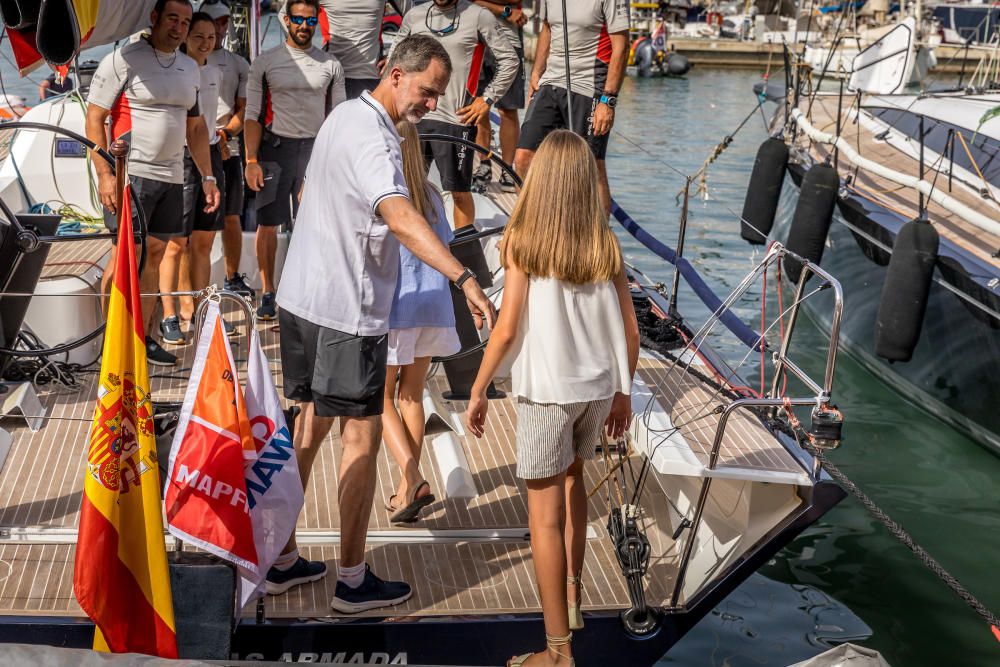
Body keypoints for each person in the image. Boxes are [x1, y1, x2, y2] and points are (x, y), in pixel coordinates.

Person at [270, 34, 495, 612]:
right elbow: (397, 214)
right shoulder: (376, 138)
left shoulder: (342, 114)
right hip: (348, 312)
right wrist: (463, 278)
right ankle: (351, 581)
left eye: (439, 95)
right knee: (361, 439)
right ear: (395, 74)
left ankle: (282, 558)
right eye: (427, 91)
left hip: (302, 300)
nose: (431, 104)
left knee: (309, 428)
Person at [466, 130, 639, 666]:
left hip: (547, 394)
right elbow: (630, 332)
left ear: (538, 181)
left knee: (543, 520)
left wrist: (477, 388)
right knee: (574, 481)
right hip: (596, 392)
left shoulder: (523, 243)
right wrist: (622, 395)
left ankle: (557, 652)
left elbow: (509, 328)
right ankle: (573, 594)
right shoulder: (604, 246)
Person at [86, 0, 220, 367]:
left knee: (155, 257)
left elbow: (195, 127)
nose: (179, 27)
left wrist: (207, 175)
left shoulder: (189, 68)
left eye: (185, 21)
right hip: (132, 175)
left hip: (172, 175)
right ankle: (111, 348)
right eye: (173, 19)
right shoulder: (124, 59)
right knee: (124, 258)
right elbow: (95, 118)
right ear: (155, 17)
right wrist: (105, 175)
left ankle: (139, 339)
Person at [244, 0, 345, 321]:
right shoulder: (265, 62)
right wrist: (250, 159)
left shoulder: (331, 65)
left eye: (311, 20)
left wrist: (329, 164)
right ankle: (269, 292)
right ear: (286, 20)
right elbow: (252, 116)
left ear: (317, 22)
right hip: (275, 152)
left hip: (315, 153)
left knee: (314, 226)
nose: (304, 26)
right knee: (268, 225)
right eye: (299, 19)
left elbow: (338, 118)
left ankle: (307, 292)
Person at [382, 119, 460, 524]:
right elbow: (443, 245)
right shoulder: (431, 195)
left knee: (381, 399)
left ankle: (411, 477)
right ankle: (403, 490)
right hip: (435, 307)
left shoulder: (385, 196)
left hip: (398, 306)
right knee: (411, 397)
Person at [392, 0, 518, 229]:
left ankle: (461, 253)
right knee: (406, 189)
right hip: (414, 119)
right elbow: (394, 60)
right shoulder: (415, 15)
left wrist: (486, 99)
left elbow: (510, 60)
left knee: (459, 193)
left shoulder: (479, 16)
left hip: (455, 121)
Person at [514, 0, 629, 215]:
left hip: (590, 84)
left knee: (591, 165)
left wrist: (608, 101)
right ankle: (531, 226)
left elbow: (621, 47)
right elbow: (547, 28)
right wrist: (537, 72)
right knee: (523, 158)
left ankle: (599, 239)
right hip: (551, 81)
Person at [158, 12, 228, 343]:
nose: (205, 42)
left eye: (211, 37)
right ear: (186, 38)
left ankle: (202, 311)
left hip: (211, 154)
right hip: (181, 157)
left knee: (203, 240)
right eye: (198, 36)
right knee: (176, 242)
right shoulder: (175, 69)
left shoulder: (214, 71)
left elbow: (209, 121)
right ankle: (171, 313)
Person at [197, 0, 256, 301]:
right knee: (198, 229)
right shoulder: (188, 61)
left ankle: (232, 278)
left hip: (226, 143)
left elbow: (243, 110)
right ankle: (195, 293)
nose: (219, 28)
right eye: (212, 22)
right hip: (196, 145)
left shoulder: (238, 64)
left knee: (231, 215)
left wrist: (224, 134)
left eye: (222, 22)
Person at [279, 0, 413, 99]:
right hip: (332, 77)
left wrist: (395, 55)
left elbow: (414, 17)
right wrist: (306, 52)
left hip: (371, 76)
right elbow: (284, 14)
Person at [472, 0, 528, 193]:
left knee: (508, 110)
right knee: (478, 108)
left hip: (509, 41)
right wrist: (503, 10)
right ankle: (484, 165)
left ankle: (506, 168)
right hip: (477, 40)